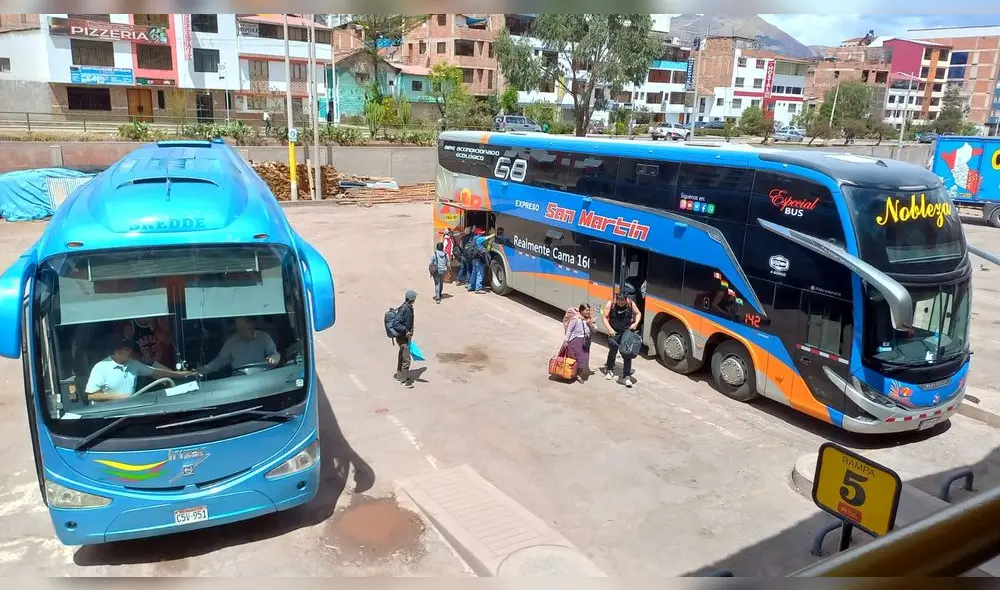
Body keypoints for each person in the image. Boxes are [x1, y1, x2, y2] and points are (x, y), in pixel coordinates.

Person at [85, 339, 196, 402]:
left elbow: (155, 372)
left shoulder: (133, 364)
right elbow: (92, 395)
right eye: (127, 350)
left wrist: (180, 374)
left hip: (131, 411)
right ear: (116, 351)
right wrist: (120, 397)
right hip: (107, 416)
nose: (130, 352)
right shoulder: (100, 367)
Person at [197, 316, 281, 376]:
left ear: (252, 325)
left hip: (262, 374)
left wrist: (274, 357)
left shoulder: (264, 337)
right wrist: (204, 369)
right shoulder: (232, 342)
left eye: (245, 329)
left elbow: (275, 354)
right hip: (240, 377)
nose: (243, 332)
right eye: (240, 330)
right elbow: (221, 360)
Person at [601, 288, 642, 388]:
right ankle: (610, 370)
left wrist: (635, 324)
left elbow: (638, 313)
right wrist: (609, 329)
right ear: (616, 299)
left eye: (622, 300)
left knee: (627, 353)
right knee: (612, 351)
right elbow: (605, 317)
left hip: (626, 332)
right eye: (619, 300)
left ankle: (626, 376)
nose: (620, 302)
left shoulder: (630, 304)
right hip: (614, 332)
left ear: (625, 299)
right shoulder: (610, 304)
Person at [564, 304, 595, 382]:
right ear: (581, 311)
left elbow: (595, 330)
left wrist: (590, 324)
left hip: (585, 342)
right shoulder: (575, 319)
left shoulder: (590, 319)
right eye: (586, 310)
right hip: (575, 342)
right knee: (574, 359)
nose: (588, 312)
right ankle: (572, 374)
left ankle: (578, 374)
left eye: (589, 310)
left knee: (584, 359)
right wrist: (566, 341)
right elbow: (569, 330)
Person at [393, 290, 417, 388]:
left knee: (402, 356)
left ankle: (399, 375)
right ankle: (404, 381)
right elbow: (396, 323)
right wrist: (406, 331)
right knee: (406, 359)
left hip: (404, 337)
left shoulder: (408, 307)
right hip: (402, 337)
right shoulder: (404, 309)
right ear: (412, 299)